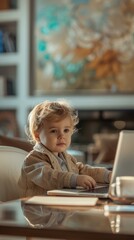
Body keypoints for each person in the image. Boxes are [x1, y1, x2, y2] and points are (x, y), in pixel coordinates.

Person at [18, 99, 111, 197]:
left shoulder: (67, 158)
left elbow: (83, 170)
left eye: (66, 130)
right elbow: (49, 176)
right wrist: (75, 179)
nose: (61, 136)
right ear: (37, 136)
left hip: (59, 205)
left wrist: (106, 175)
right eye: (53, 131)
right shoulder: (33, 160)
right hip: (37, 208)